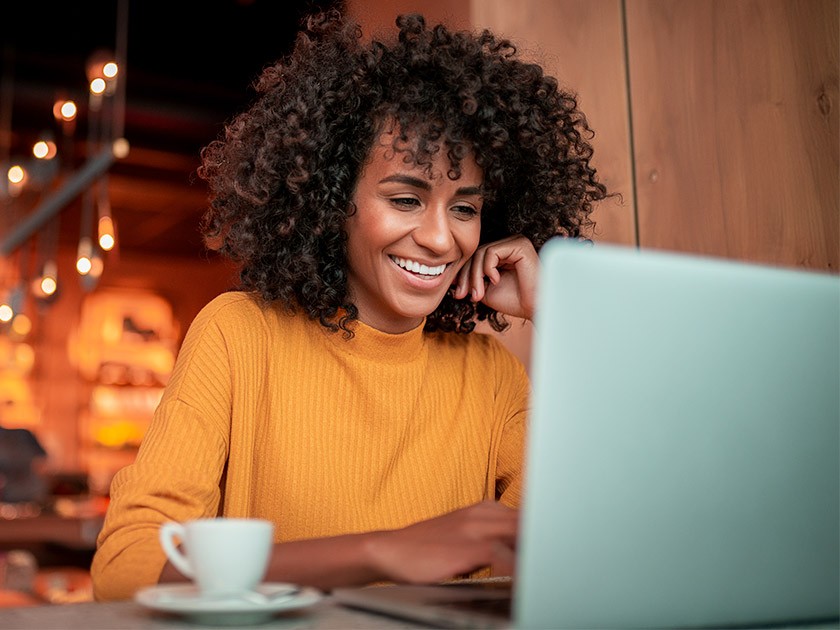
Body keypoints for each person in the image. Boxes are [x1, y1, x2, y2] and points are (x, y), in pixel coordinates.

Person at [91, 10, 607, 601]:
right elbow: (125, 567)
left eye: (464, 208)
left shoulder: (491, 378)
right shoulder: (239, 335)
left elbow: (584, 546)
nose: (442, 239)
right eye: (407, 198)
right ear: (333, 199)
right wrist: (378, 551)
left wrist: (558, 321)